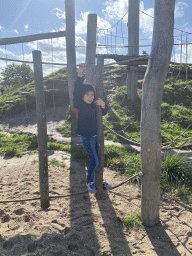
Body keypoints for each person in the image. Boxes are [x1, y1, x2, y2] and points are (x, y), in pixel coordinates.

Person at [73, 63, 112, 193]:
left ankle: (99, 180)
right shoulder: (78, 104)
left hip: (97, 137)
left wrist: (102, 104)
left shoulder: (93, 105)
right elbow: (77, 89)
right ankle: (89, 182)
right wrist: (80, 72)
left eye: (92, 95)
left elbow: (105, 112)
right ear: (82, 95)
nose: (90, 97)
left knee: (99, 161)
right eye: (87, 94)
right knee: (94, 161)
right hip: (87, 138)